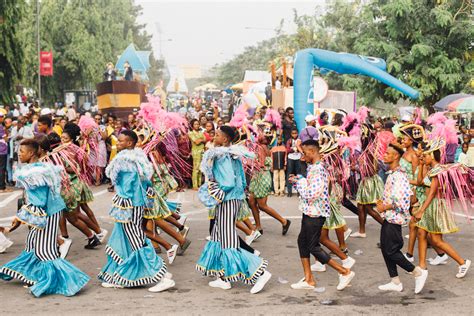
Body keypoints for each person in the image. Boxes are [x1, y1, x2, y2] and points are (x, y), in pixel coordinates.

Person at [0, 139, 90, 297]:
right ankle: (33, 275)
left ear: (32, 153)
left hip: (46, 213)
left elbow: (39, 202)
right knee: (32, 244)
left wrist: (21, 217)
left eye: (21, 152)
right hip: (47, 211)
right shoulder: (40, 168)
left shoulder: (34, 173)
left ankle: (70, 281)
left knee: (46, 251)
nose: (19, 154)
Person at [196, 126, 272, 294]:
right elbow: (241, 181)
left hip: (227, 199)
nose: (214, 137)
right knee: (217, 236)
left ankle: (259, 273)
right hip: (233, 199)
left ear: (225, 140)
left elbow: (228, 182)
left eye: (217, 135)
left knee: (228, 240)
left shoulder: (222, 155)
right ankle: (223, 278)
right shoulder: (232, 154)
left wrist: (217, 192)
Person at [98, 130, 175, 292]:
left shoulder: (124, 160)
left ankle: (160, 276)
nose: (117, 143)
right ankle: (119, 275)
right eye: (118, 141)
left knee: (136, 241)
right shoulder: (139, 158)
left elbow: (128, 186)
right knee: (123, 239)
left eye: (121, 141)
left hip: (128, 205)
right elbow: (145, 183)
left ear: (130, 143)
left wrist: (124, 201)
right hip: (135, 203)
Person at [289, 139, 355, 290]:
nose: (302, 156)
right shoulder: (313, 167)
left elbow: (311, 194)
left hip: (315, 214)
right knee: (302, 242)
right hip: (310, 211)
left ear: (312, 152)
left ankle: (344, 272)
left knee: (313, 246)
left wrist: (299, 182)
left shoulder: (318, 170)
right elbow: (310, 187)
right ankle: (309, 279)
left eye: (304, 153)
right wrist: (299, 179)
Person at [413, 138, 471, 293]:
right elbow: (419, 182)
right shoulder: (430, 168)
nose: (422, 157)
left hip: (434, 206)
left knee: (436, 240)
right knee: (421, 233)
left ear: (432, 155)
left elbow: (432, 193)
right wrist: (420, 165)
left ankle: (462, 262)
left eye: (424, 155)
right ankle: (422, 265)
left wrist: (421, 210)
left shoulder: (439, 170)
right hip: (429, 205)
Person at [375, 142, 425, 293]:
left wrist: (385, 206)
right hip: (389, 217)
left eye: (388, 153)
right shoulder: (393, 174)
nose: (384, 155)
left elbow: (403, 201)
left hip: (394, 219)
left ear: (396, 156)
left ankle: (417, 272)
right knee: (385, 248)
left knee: (391, 251)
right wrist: (382, 203)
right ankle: (395, 282)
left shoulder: (399, 176)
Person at [188, 118, 206, 190]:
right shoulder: (191, 133)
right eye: (195, 124)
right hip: (196, 152)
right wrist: (201, 140)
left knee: (201, 169)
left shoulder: (200, 132)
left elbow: (205, 140)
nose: (197, 125)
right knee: (196, 169)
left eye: (198, 124)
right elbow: (196, 142)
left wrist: (201, 140)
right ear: (192, 125)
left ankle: (199, 184)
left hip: (202, 151)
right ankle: (195, 185)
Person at [286, 128, 302, 197]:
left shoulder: (299, 141)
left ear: (297, 133)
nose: (294, 134)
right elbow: (287, 149)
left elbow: (302, 148)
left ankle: (299, 191)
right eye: (293, 133)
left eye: (295, 133)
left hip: (298, 158)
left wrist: (298, 149)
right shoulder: (289, 141)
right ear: (291, 134)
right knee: (289, 174)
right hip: (290, 158)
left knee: (298, 174)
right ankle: (289, 192)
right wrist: (293, 149)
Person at [0, 111, 11, 192]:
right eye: (2, 117)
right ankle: (2, 187)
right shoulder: (0, 127)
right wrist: (8, 135)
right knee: (2, 169)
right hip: (2, 150)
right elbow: (5, 138)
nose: (3, 118)